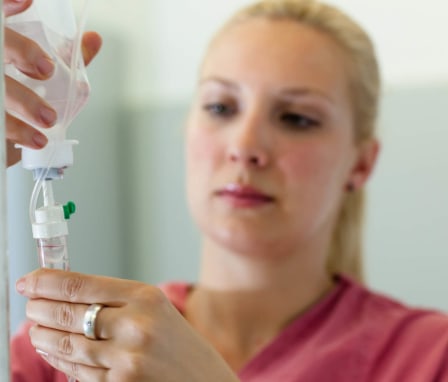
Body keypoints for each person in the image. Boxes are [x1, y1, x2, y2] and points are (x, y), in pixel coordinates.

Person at [7, 0, 448, 381]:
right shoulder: (61, 349)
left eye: (297, 118)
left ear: (362, 162)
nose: (245, 146)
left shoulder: (428, 359)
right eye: (221, 107)